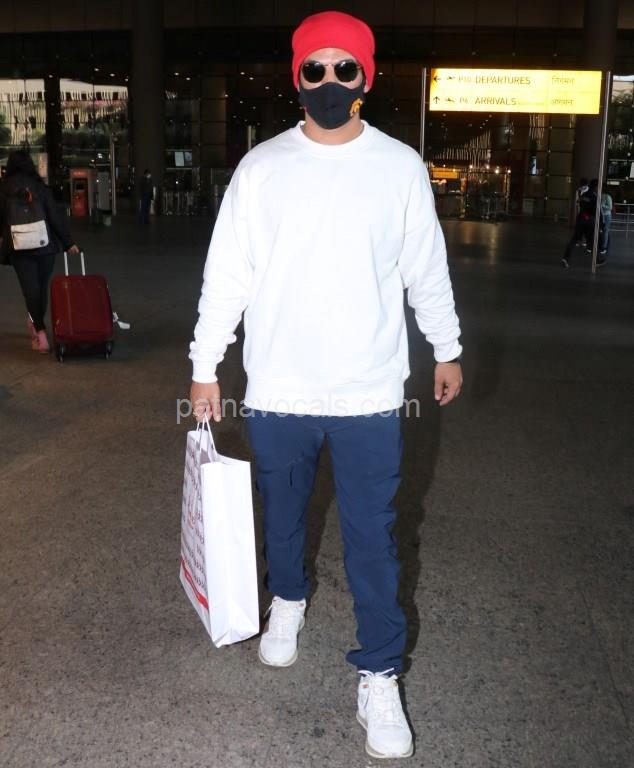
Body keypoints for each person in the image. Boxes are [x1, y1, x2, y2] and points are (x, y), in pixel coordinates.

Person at [188, 11, 462, 760]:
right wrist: (205, 367)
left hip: (370, 390)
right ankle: (288, 599)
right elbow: (227, 275)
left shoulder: (399, 167)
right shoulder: (261, 169)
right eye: (317, 68)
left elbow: (425, 267)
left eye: (347, 68)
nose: (331, 81)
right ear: (297, 78)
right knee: (282, 512)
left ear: (367, 77)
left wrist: (446, 347)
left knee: (374, 536)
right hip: (279, 386)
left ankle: (379, 673)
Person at [0, 150, 79, 353]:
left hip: (19, 249)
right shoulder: (41, 188)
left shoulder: (4, 189)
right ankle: (36, 323)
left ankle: (40, 333)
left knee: (31, 291)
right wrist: (69, 243)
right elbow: (54, 217)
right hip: (45, 247)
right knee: (41, 290)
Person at [562, 178, 599, 268]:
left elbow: (580, 204)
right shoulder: (594, 196)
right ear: (596, 187)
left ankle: (566, 258)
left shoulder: (583, 194)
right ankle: (597, 259)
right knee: (592, 241)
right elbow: (595, 210)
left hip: (581, 218)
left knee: (574, 239)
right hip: (589, 220)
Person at [598, 184, 613, 265]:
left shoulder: (607, 196)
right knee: (605, 231)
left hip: (607, 215)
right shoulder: (599, 195)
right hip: (601, 215)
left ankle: (604, 247)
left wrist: (602, 205)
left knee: (605, 231)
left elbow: (610, 207)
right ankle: (606, 245)